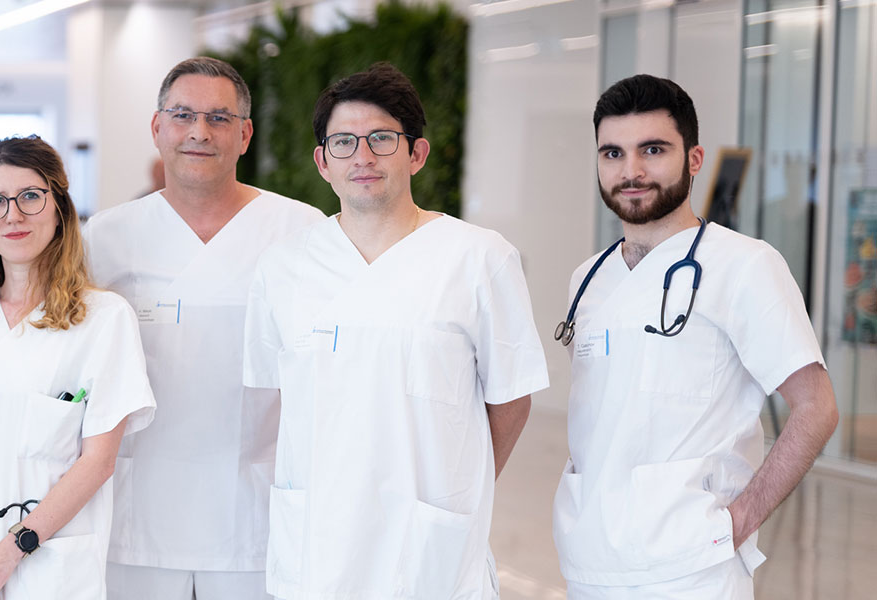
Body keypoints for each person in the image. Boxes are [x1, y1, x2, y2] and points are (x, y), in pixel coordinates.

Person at [240, 62, 550, 599]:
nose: (362, 157)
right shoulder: (282, 267)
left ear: (417, 153)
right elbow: (278, 400)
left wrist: (461, 483)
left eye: (381, 139)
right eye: (343, 142)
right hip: (318, 540)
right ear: (322, 162)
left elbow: (511, 399)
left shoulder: (479, 257)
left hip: (428, 544)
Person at [552, 74, 838, 599]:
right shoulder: (587, 280)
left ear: (695, 158)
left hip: (694, 570)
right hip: (590, 563)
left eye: (653, 149)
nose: (631, 171)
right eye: (613, 153)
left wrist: (739, 521)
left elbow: (817, 407)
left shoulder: (744, 266)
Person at [86, 57, 324, 600]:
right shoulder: (106, 236)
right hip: (138, 512)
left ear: (245, 135)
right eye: (183, 115)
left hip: (255, 511)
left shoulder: (301, 230)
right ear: (157, 128)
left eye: (219, 118)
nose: (199, 132)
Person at [0, 135, 155, 600]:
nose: (13, 215)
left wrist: (7, 554)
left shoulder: (103, 320)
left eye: (30, 196)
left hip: (48, 573)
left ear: (59, 208)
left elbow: (98, 461)